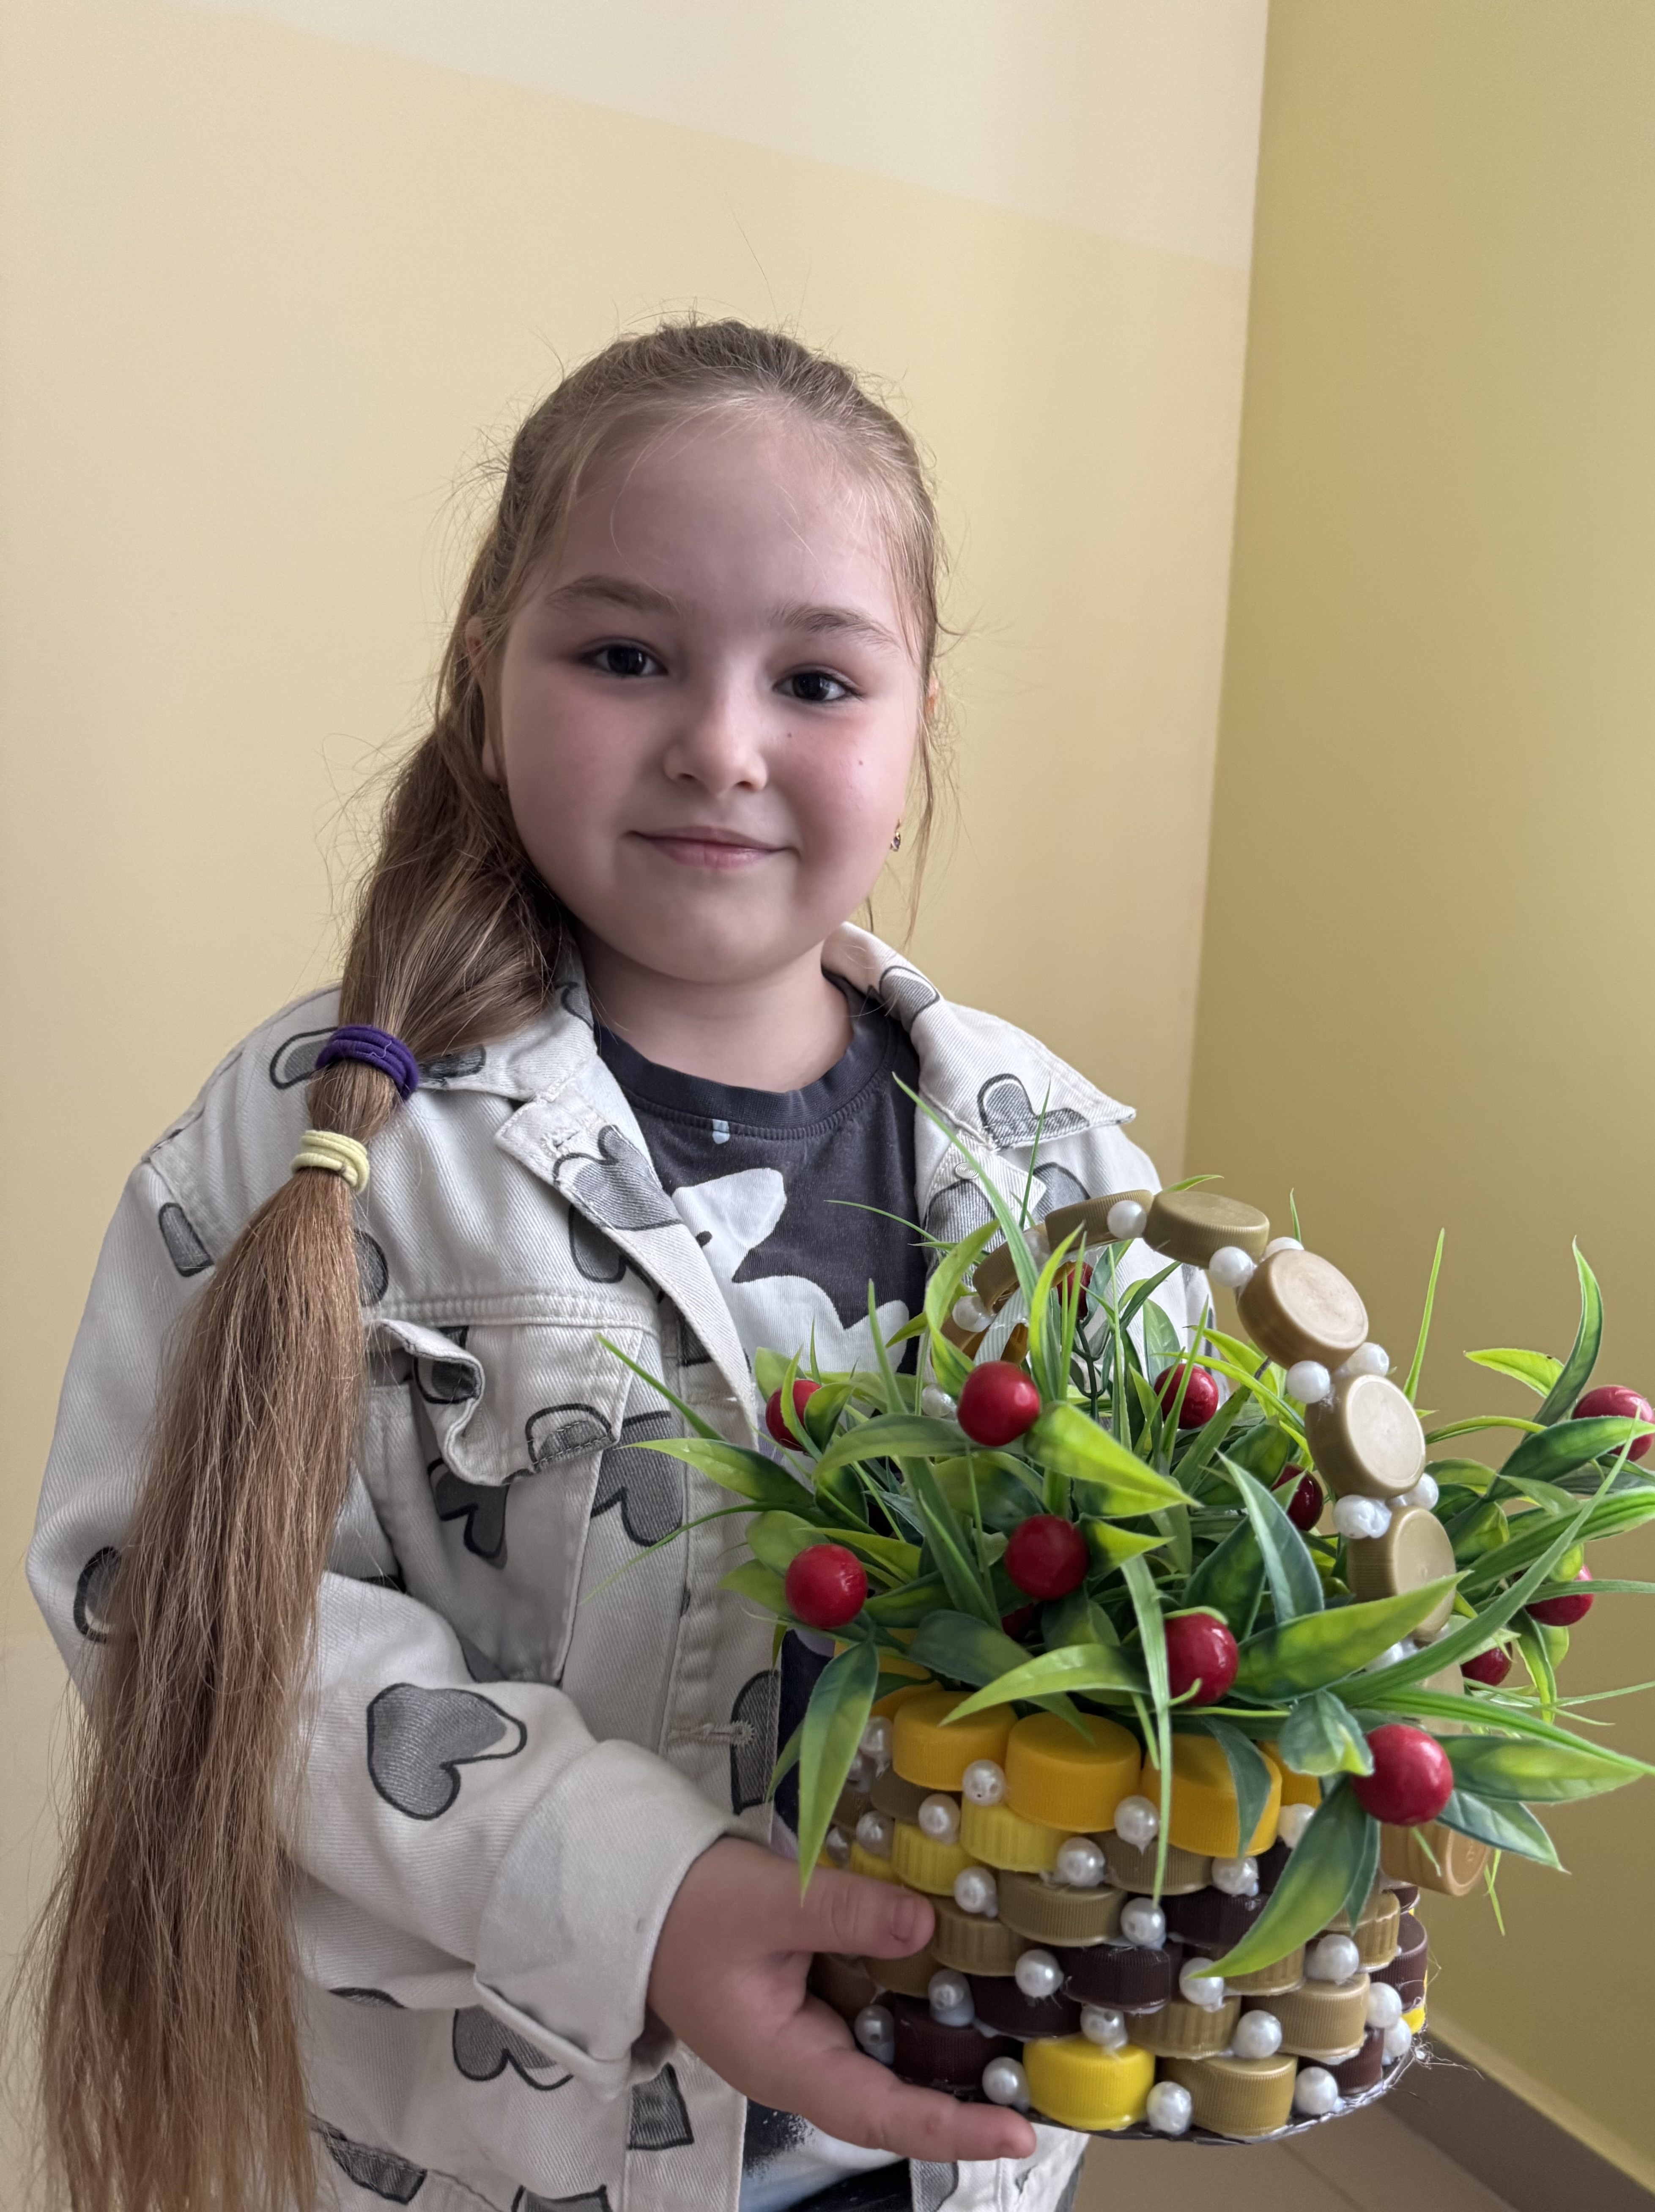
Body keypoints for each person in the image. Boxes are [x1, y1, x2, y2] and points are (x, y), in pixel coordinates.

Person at [28, 320, 1197, 2212]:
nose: (721, 745)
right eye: (627, 655)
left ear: (913, 730)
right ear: (485, 678)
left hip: (935, 2154)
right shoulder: (316, 1137)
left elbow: (1172, 1607)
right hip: (497, 2159)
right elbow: (175, 1604)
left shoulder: (1058, 1164)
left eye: (815, 679)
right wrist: (636, 1899)